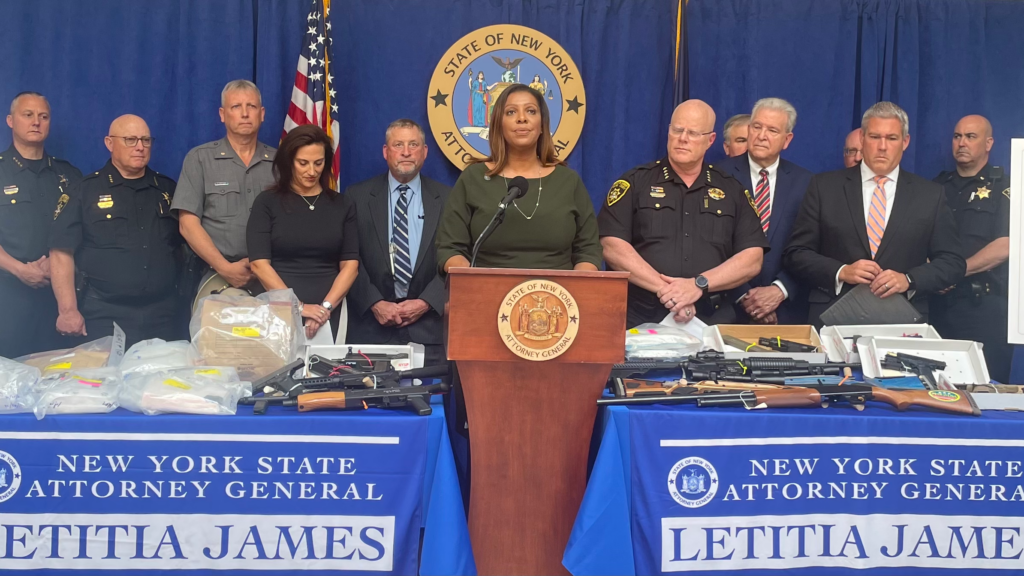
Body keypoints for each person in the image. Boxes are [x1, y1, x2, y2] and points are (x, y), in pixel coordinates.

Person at [783, 102, 965, 326]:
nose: (882, 146)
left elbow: (953, 262)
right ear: (861, 139)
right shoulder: (824, 187)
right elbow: (797, 253)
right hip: (833, 316)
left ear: (905, 142)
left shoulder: (931, 194)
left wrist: (908, 279)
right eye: (875, 137)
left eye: (891, 138)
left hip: (902, 320)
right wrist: (842, 271)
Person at [599, 99, 768, 327]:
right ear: (668, 131)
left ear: (710, 140)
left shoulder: (732, 189)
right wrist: (671, 293)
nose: (683, 138)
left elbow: (752, 259)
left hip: (712, 319)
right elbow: (611, 245)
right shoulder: (634, 182)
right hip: (640, 317)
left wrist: (697, 285)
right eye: (677, 130)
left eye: (693, 133)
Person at [437, 83, 602, 273]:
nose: (522, 119)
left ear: (542, 125)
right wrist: (474, 282)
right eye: (511, 112)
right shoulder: (474, 178)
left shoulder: (568, 181)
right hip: (488, 294)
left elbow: (588, 250)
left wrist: (577, 288)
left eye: (531, 111)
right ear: (499, 124)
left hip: (558, 296)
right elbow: (449, 248)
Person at [49, 115, 182, 348]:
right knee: (103, 383)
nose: (140, 147)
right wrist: (67, 310)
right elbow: (61, 253)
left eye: (146, 140)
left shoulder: (167, 190)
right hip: (105, 315)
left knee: (163, 383)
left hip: (163, 315)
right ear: (109, 143)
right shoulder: (84, 191)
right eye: (130, 140)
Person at [345, 119, 450, 364]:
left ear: (424, 152)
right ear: (385, 151)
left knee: (432, 401)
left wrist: (426, 302)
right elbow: (348, 257)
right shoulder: (357, 196)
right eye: (398, 144)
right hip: (371, 330)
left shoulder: (448, 198)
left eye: (413, 145)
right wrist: (374, 302)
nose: (405, 152)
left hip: (430, 331)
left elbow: (456, 257)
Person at [246, 125, 358, 341]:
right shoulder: (267, 202)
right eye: (303, 163)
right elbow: (259, 264)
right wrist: (298, 307)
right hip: (278, 309)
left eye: (318, 163)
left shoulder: (343, 204)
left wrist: (324, 309)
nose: (312, 171)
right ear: (289, 162)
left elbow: (350, 266)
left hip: (330, 311)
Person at [171, 80, 276, 302]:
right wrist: (225, 268)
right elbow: (187, 224)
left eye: (252, 106)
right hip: (216, 276)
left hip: (272, 277)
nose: (245, 114)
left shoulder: (280, 163)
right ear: (222, 114)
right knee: (221, 337)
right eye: (236, 107)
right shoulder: (200, 159)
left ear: (262, 113)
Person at [715, 98, 813, 325]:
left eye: (772, 130)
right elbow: (708, 244)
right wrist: (745, 295)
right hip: (727, 307)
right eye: (757, 127)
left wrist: (780, 290)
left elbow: (812, 246)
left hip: (787, 311)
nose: (761, 135)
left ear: (787, 139)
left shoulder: (807, 182)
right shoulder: (717, 176)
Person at [0, 92, 82, 358]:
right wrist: (19, 269)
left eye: (43, 116)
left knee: (59, 378)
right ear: (11, 121)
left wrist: (56, 266)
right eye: (28, 115)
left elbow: (84, 233)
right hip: (9, 296)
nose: (36, 122)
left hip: (61, 299)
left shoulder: (69, 175)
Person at [931, 115, 1012, 382]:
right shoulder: (935, 187)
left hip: (984, 309)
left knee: (987, 390)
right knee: (933, 389)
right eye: (957, 136)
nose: (962, 143)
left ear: (988, 143)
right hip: (936, 307)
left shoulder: (1007, 188)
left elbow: (1007, 245)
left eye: (970, 137)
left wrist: (953, 272)